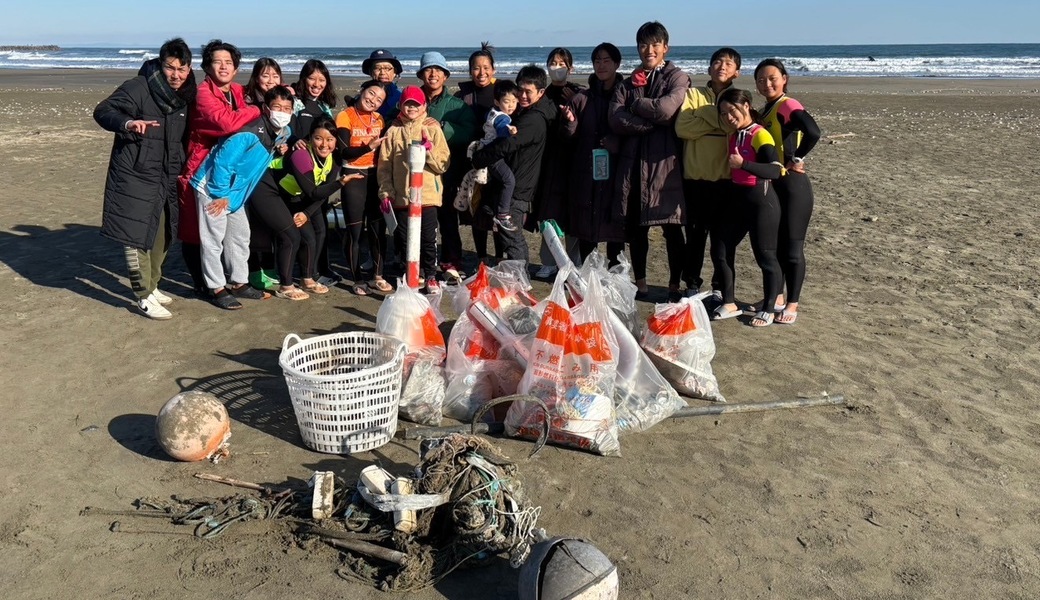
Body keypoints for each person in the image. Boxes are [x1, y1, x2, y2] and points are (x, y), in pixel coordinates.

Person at [93, 37, 197, 320]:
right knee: (136, 236)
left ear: (189, 69)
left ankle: (152, 285)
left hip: (168, 172)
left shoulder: (187, 93)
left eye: (182, 69)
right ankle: (142, 296)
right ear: (160, 65)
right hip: (136, 172)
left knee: (163, 235)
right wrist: (128, 123)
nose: (176, 75)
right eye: (170, 68)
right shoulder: (139, 86)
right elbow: (103, 111)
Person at [189, 86, 293, 310]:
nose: (282, 112)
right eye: (277, 107)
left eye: (287, 108)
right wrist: (221, 195)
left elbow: (263, 157)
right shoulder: (249, 131)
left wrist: (278, 151)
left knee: (240, 236)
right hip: (212, 189)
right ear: (266, 109)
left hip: (236, 194)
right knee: (213, 240)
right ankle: (216, 287)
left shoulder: (283, 133)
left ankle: (239, 283)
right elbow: (223, 163)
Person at [608, 21, 691, 301]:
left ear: (666, 47)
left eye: (655, 44)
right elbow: (615, 118)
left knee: (672, 227)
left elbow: (667, 110)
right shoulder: (628, 82)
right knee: (636, 228)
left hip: (666, 166)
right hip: (633, 164)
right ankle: (641, 284)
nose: (649, 50)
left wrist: (635, 105)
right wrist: (648, 124)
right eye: (643, 44)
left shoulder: (678, 77)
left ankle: (674, 285)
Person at [178, 40, 260, 297]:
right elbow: (225, 123)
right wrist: (256, 110)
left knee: (239, 231)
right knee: (209, 234)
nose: (224, 67)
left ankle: (239, 281)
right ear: (207, 66)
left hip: (232, 171)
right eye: (218, 62)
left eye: (229, 62)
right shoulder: (203, 93)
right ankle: (213, 287)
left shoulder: (236, 91)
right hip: (206, 171)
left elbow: (261, 94)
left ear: (236, 69)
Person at [754, 58, 821, 324]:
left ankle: (792, 303)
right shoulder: (767, 110)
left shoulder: (787, 104)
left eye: (772, 78)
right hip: (775, 185)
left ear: (784, 79)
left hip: (793, 186)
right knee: (777, 247)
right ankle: (778, 298)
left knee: (792, 250)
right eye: (761, 80)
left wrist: (798, 157)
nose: (767, 83)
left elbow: (813, 131)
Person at [471, 65, 558, 265]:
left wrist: (479, 157)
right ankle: (515, 276)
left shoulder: (533, 119)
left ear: (541, 92)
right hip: (516, 182)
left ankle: (520, 278)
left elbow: (507, 145)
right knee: (506, 234)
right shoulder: (530, 111)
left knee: (511, 238)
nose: (523, 96)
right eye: (520, 90)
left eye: (528, 92)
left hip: (517, 187)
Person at [713, 88, 783, 327]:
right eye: (723, 113)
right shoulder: (734, 134)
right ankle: (730, 302)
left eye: (732, 110)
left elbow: (775, 170)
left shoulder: (759, 134)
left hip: (762, 201)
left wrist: (744, 164)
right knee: (720, 249)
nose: (728, 117)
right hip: (738, 199)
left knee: (766, 257)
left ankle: (769, 309)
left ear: (746, 106)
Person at [675, 47, 741, 302]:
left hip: (725, 180)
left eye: (728, 64)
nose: (722, 67)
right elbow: (682, 128)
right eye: (717, 62)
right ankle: (692, 283)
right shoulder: (693, 94)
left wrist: (701, 117)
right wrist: (718, 117)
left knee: (722, 239)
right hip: (695, 178)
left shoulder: (738, 97)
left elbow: (733, 128)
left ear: (736, 72)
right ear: (709, 67)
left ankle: (719, 286)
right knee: (694, 236)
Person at [273, 116, 363, 297]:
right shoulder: (302, 154)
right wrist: (341, 182)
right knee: (300, 237)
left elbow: (323, 192)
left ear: (336, 141)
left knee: (318, 232)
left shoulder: (334, 158)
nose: (324, 144)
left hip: (302, 197)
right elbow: (314, 192)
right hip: (278, 194)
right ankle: (288, 282)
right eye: (318, 138)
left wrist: (306, 213)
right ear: (310, 138)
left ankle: (309, 277)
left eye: (330, 139)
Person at [376, 86, 451, 294]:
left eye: (416, 104)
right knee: (404, 238)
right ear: (400, 105)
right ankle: (411, 274)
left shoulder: (432, 128)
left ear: (424, 106)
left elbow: (443, 164)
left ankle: (431, 276)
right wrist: (386, 192)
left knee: (428, 238)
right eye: (407, 104)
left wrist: (429, 152)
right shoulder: (393, 131)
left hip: (427, 196)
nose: (412, 108)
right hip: (401, 196)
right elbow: (384, 166)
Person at [560, 42, 626, 265]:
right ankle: (589, 275)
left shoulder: (626, 96)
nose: (601, 65)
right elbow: (568, 136)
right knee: (587, 225)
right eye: (597, 61)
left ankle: (616, 274)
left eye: (606, 60)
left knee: (615, 227)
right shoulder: (582, 98)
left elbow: (633, 130)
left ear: (617, 64)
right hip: (587, 170)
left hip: (616, 170)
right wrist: (569, 122)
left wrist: (617, 143)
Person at [416, 51, 478, 279]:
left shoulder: (457, 106)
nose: (433, 74)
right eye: (428, 70)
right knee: (421, 220)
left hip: (448, 171)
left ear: (445, 76)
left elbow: (470, 132)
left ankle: (451, 261)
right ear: (421, 75)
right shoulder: (412, 99)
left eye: (438, 70)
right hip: (418, 173)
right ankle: (421, 261)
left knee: (448, 218)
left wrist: (443, 127)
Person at [335, 80, 390, 295]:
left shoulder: (379, 119)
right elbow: (344, 151)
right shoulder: (345, 115)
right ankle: (357, 279)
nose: (373, 100)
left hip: (375, 175)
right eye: (371, 93)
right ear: (362, 91)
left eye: (379, 99)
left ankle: (378, 276)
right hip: (353, 175)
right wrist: (368, 147)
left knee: (378, 230)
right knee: (355, 231)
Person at [533, 47, 584, 279]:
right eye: (553, 63)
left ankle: (574, 260)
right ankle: (549, 261)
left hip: (571, 160)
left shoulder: (578, 93)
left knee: (572, 211)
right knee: (547, 211)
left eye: (562, 64)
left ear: (570, 68)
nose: (557, 68)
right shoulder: (541, 94)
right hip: (546, 159)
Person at [289, 59, 339, 286]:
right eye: (312, 78)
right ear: (303, 79)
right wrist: (294, 141)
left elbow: (330, 138)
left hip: (321, 174)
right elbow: (288, 131)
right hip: (299, 176)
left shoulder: (324, 107)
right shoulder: (295, 103)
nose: (317, 84)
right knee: (308, 228)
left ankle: (319, 269)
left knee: (321, 227)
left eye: (322, 79)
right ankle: (309, 273)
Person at [242, 57, 286, 292]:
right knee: (254, 224)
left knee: (268, 224)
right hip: (252, 170)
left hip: (273, 170)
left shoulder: (282, 100)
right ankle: (253, 271)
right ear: (256, 77)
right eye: (265, 75)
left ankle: (269, 268)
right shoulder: (249, 103)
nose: (270, 80)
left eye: (275, 75)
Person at [455, 42, 501, 265]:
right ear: (470, 70)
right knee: (476, 209)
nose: (481, 72)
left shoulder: (502, 91)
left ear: (493, 69)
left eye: (485, 67)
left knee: (497, 210)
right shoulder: (462, 95)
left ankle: (500, 259)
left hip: (498, 159)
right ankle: (481, 258)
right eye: (476, 68)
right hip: (472, 161)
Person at [461, 80, 520, 232]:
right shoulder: (503, 118)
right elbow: (502, 128)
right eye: (506, 101)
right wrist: (510, 131)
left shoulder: (492, 112)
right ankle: (503, 214)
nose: (511, 105)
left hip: (484, 151)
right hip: (493, 156)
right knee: (509, 180)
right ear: (497, 102)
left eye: (514, 101)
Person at [362, 49, 403, 121]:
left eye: (387, 68)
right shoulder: (362, 97)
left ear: (394, 72)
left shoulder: (401, 97)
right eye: (377, 68)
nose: (382, 72)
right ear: (370, 72)